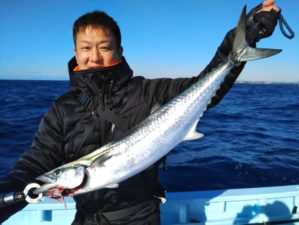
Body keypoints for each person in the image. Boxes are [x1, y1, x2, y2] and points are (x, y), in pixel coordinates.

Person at [0, 1, 280, 224]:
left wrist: (245, 36)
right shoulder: (63, 109)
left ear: (119, 50)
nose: (94, 56)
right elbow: (37, 162)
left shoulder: (148, 92)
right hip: (85, 219)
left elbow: (205, 89)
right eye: (86, 48)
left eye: (104, 47)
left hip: (142, 217)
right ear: (75, 51)